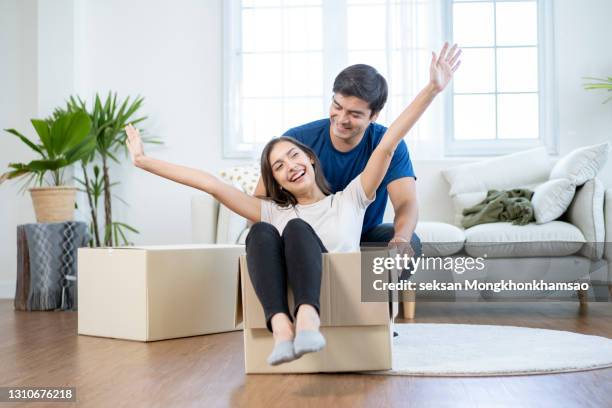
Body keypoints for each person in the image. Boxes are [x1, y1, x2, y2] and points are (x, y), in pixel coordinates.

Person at [124, 43, 460, 366]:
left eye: (294, 157)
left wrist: (432, 89)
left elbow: (389, 145)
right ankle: (283, 330)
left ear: (312, 161)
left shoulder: (351, 198)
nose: (289, 166)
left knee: (300, 228)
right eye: (278, 166)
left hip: (348, 269)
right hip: (292, 261)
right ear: (275, 181)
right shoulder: (273, 210)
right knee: (260, 234)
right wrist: (143, 161)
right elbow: (211, 183)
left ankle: (320, 319)